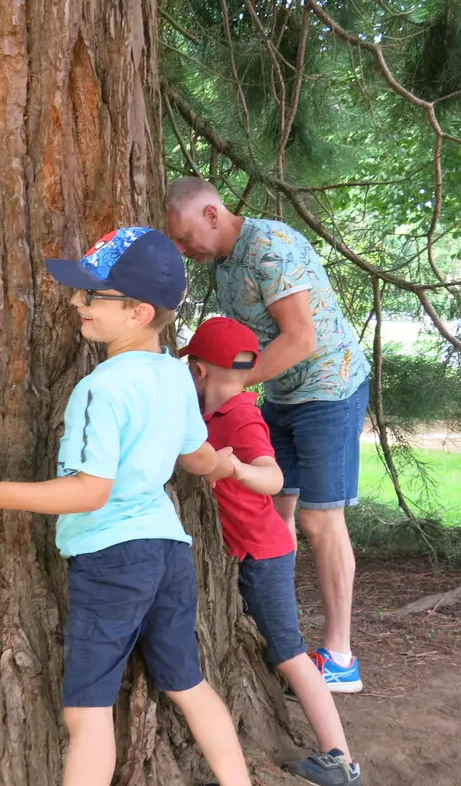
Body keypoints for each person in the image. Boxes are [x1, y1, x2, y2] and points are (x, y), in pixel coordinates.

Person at [0, 227, 281, 786]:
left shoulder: (100, 389)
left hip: (110, 557)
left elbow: (89, 491)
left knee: (88, 710)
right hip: (169, 552)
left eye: (93, 294)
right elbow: (194, 454)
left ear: (139, 312)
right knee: (188, 684)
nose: (78, 303)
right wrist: (226, 465)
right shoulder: (171, 377)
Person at [165, 177, 371, 693]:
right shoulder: (225, 264)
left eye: (186, 236)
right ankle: (283, 643)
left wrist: (229, 389)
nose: (184, 250)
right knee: (274, 516)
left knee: (320, 521)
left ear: (212, 214)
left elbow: (301, 338)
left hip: (328, 388)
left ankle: (340, 656)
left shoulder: (269, 247)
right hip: (280, 395)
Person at [181, 316, 362, 786]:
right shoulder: (212, 413)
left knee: (289, 652)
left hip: (262, 556)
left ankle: (340, 759)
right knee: (278, 647)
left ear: (199, 371)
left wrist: (233, 466)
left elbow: (273, 477)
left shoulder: (240, 415)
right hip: (253, 551)